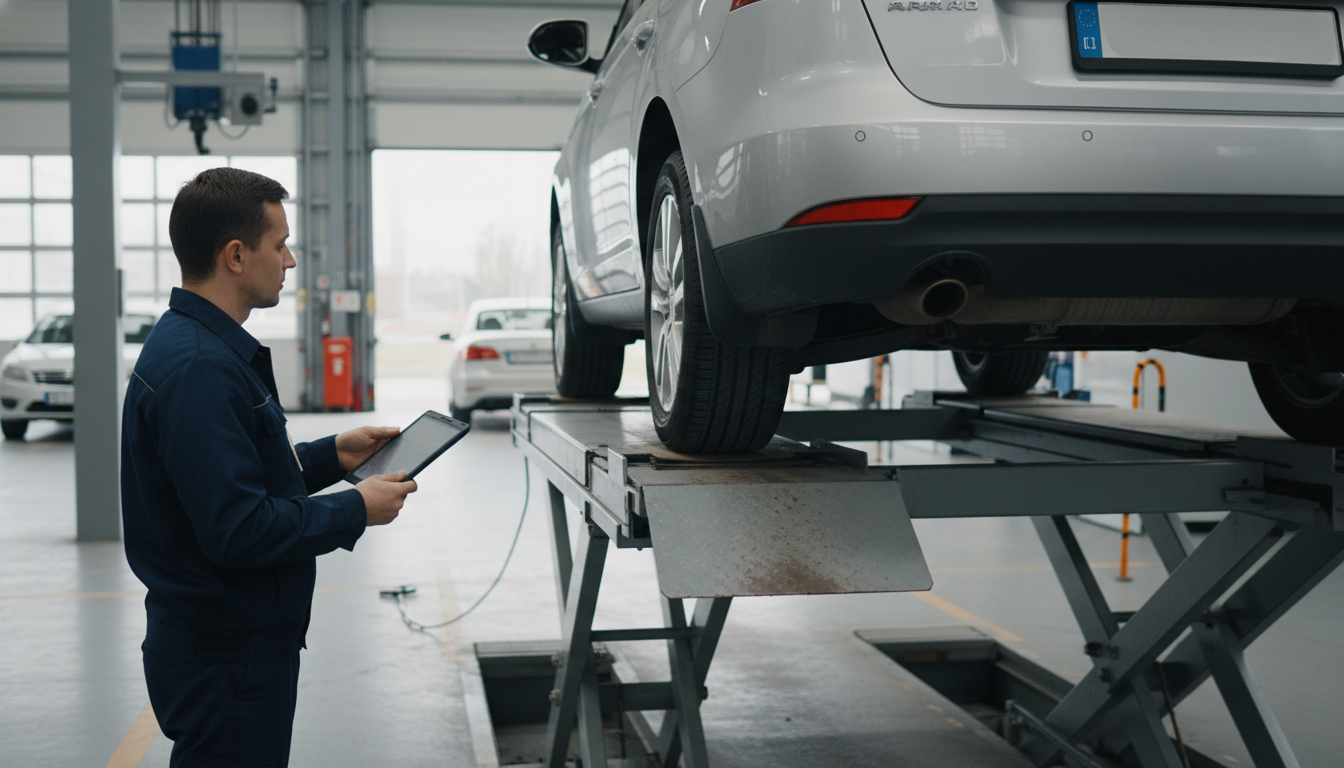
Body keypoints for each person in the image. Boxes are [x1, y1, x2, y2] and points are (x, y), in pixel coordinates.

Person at [120, 167, 417, 768]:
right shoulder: (201, 368)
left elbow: (233, 478)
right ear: (235, 255)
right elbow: (237, 528)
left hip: (225, 643)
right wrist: (355, 508)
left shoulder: (201, 348)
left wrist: (333, 456)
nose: (291, 260)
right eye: (279, 244)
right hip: (225, 654)